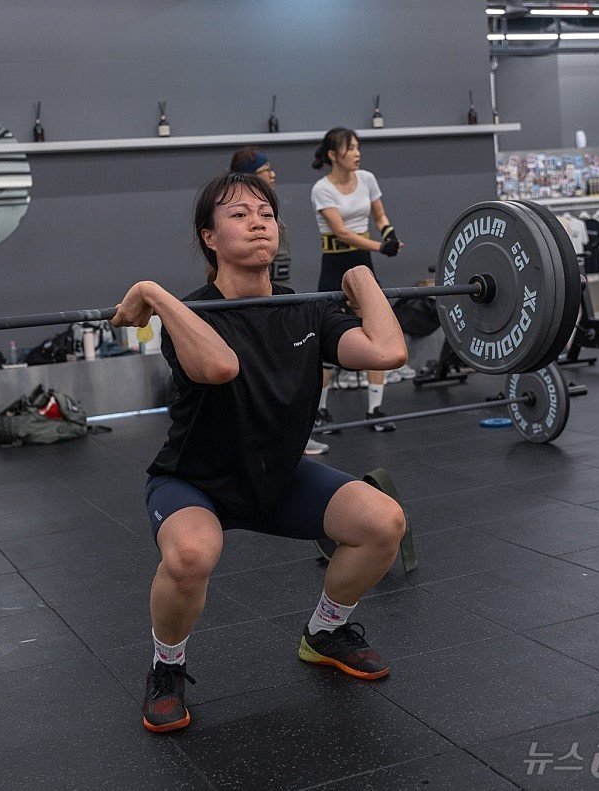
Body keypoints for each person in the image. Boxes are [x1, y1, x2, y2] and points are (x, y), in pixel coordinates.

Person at [111, 172, 407, 733]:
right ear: (210, 238)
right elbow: (221, 367)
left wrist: (363, 281)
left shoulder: (308, 311)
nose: (258, 223)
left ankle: (324, 632)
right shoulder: (188, 312)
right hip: (194, 482)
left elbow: (387, 352)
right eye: (240, 215)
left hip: (277, 477)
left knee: (383, 521)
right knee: (190, 556)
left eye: (267, 215)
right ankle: (166, 668)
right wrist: (152, 293)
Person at [310, 127, 414, 434]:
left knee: (376, 328)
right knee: (327, 334)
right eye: (350, 148)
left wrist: (388, 233)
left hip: (363, 263)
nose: (357, 153)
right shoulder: (321, 189)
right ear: (332, 155)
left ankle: (375, 410)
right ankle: (319, 412)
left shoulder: (367, 179)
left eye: (357, 147)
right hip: (335, 265)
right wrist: (382, 247)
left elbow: (380, 216)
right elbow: (341, 232)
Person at [229, 146, 329, 456]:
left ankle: (293, 435)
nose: (272, 174)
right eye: (264, 171)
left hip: (281, 301)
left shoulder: (272, 216)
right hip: (254, 309)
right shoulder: (238, 223)